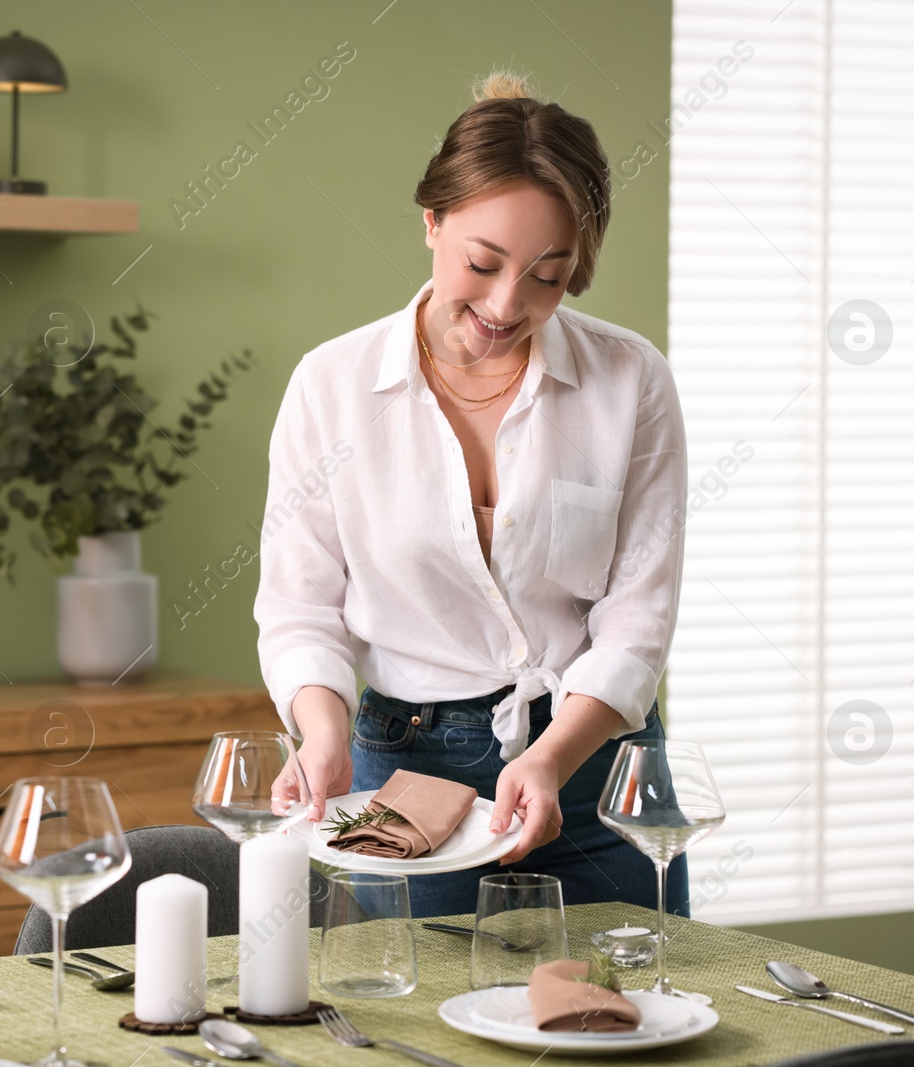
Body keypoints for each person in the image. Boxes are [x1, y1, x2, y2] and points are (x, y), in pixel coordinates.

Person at [254, 70, 690, 919]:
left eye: (548, 276)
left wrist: (551, 758)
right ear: (431, 221)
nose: (505, 303)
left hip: (599, 763)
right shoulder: (331, 386)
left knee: (633, 1016)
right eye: (482, 263)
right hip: (411, 773)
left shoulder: (629, 379)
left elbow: (640, 616)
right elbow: (300, 607)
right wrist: (323, 732)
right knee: (431, 1029)